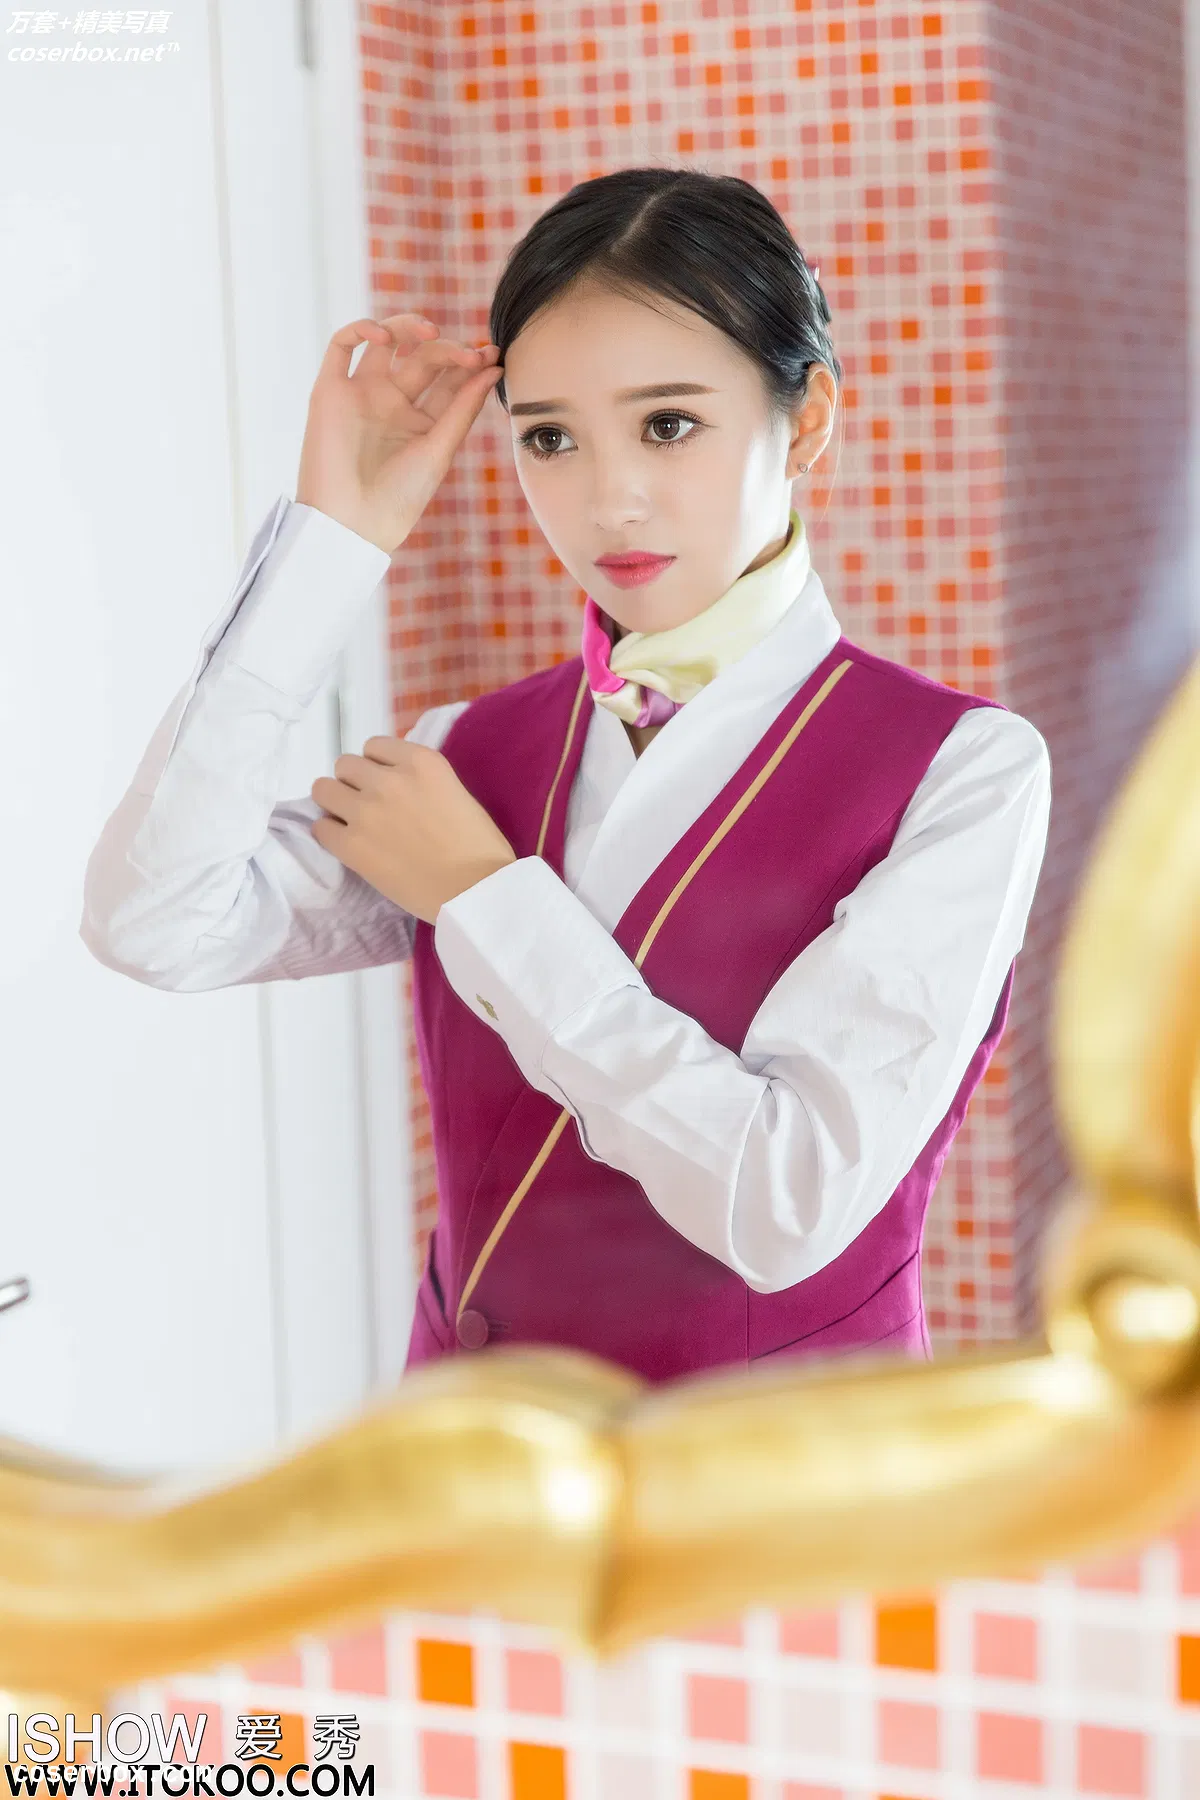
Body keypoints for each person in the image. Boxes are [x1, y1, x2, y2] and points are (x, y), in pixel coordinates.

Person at [81, 167, 1051, 1385]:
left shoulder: (962, 770)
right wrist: (333, 542)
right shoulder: (467, 750)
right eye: (549, 437)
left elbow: (785, 1203)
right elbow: (156, 920)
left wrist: (483, 898)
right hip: (470, 1455)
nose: (609, 499)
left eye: (668, 424)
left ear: (806, 421)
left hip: (780, 1469)